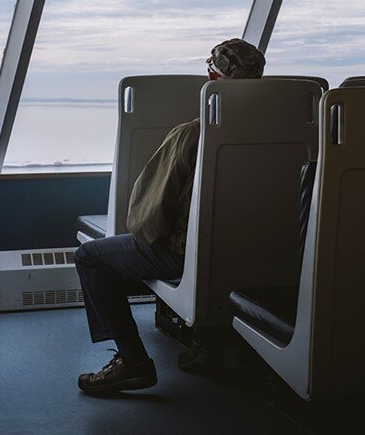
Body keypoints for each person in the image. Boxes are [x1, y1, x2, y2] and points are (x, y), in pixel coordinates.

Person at [74, 38, 266, 394]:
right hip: (266, 255)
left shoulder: (192, 135)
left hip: (187, 257)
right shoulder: (287, 134)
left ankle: (131, 361)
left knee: (91, 258)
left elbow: (149, 218)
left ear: (211, 77)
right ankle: (209, 345)